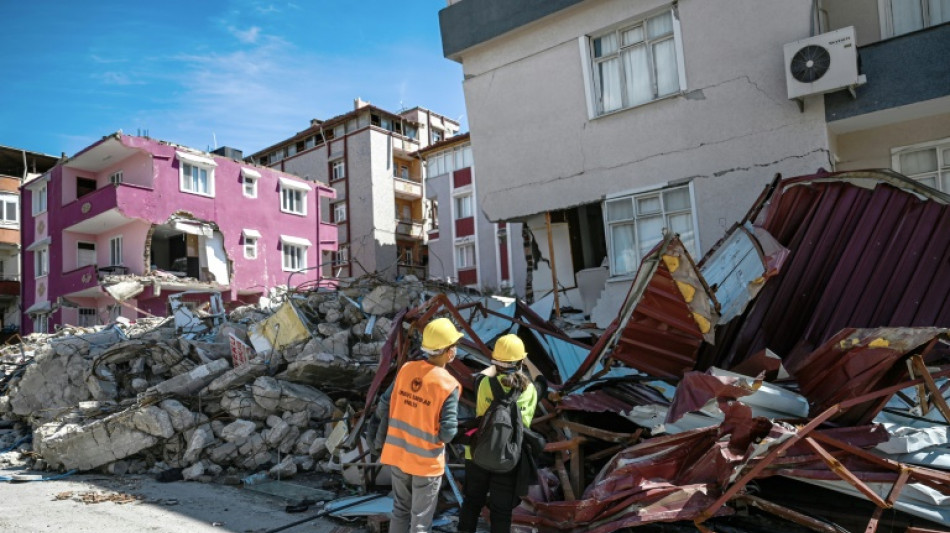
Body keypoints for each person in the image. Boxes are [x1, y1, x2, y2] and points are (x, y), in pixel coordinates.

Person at [375, 317, 463, 533]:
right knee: (421, 521)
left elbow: (384, 403)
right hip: (425, 462)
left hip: (398, 454)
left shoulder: (406, 370)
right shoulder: (447, 384)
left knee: (400, 509)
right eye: (454, 346)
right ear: (446, 351)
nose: (455, 350)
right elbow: (449, 433)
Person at [458, 334, 538, 533]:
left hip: (477, 453)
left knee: (471, 504)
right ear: (521, 360)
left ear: (495, 360)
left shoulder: (485, 383)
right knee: (501, 512)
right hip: (509, 456)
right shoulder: (530, 390)